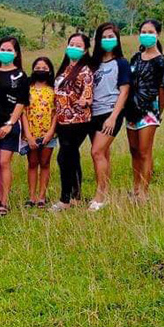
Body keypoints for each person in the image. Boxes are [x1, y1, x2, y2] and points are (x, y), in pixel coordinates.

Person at [87, 23, 134, 210]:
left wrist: (114, 117)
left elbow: (124, 91)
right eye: (104, 37)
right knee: (103, 154)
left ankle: (99, 196)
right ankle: (105, 191)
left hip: (110, 112)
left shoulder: (121, 63)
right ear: (98, 39)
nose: (108, 40)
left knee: (96, 152)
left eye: (111, 36)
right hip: (93, 113)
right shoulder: (94, 63)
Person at [52, 32, 98, 210]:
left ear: (85, 50)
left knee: (64, 157)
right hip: (62, 121)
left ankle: (65, 199)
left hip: (78, 120)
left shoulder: (85, 70)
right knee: (72, 157)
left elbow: (87, 95)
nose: (74, 48)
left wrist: (83, 101)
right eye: (72, 44)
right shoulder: (64, 70)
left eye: (79, 45)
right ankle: (76, 196)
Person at [123, 20, 164, 200]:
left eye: (151, 32)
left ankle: (144, 191)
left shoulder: (160, 62)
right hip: (131, 109)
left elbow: (162, 89)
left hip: (149, 111)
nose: (146, 35)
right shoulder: (135, 58)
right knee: (133, 149)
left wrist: (160, 113)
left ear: (157, 35)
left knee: (144, 150)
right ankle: (135, 188)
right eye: (143, 31)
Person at [0, 37, 29, 216]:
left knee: (4, 162)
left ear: (16, 53)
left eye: (9, 49)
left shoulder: (20, 75)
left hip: (9, 125)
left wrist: (10, 123)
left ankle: (4, 202)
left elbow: (22, 102)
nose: (5, 52)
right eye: (2, 49)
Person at [23, 57, 59, 208]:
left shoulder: (54, 89)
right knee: (32, 164)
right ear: (33, 69)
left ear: (50, 71)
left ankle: (42, 197)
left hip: (48, 134)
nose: (41, 70)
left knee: (45, 163)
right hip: (30, 134)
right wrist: (28, 135)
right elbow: (23, 112)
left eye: (44, 68)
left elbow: (57, 112)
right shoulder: (27, 88)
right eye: (38, 67)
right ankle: (31, 197)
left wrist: (51, 132)